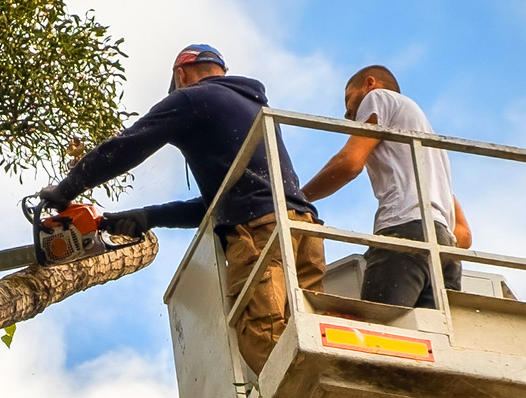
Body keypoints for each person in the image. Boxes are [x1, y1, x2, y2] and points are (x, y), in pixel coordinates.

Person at [38, 44, 322, 373]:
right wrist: (148, 217)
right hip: (303, 229)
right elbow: (220, 205)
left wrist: (65, 190)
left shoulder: (191, 98)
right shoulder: (253, 106)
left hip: (261, 235)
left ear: (181, 74)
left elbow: (127, 146)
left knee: (264, 338)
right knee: (308, 335)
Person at [301, 65, 470, 309]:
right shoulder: (431, 152)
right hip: (447, 255)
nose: (347, 114)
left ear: (369, 83)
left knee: (380, 329)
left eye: (348, 99)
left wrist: (299, 198)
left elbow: (349, 164)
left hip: (405, 233)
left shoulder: (378, 97)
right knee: (428, 332)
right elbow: (463, 234)